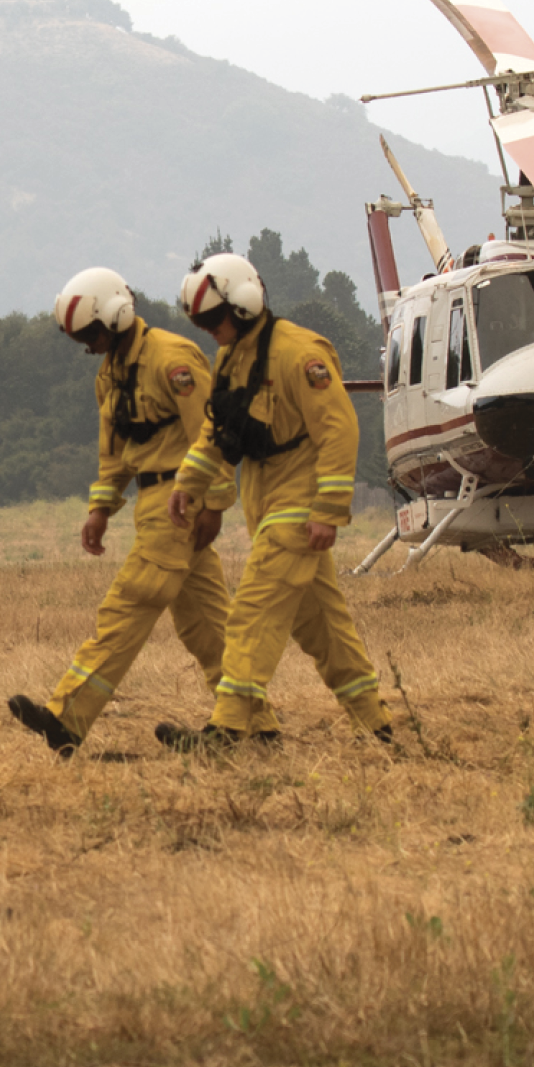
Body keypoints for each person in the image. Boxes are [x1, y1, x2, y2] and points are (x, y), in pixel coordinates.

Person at [160, 251, 392, 752]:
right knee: (323, 627)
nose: (207, 331)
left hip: (299, 506)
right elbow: (216, 432)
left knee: (252, 612)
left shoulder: (299, 352)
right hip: (266, 504)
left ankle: (228, 730)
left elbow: (339, 429)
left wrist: (329, 511)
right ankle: (377, 726)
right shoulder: (231, 360)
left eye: (212, 319)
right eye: (199, 322)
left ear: (242, 306)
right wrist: (188, 485)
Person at [8, 268, 230, 756]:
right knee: (207, 626)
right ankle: (252, 724)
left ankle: (66, 719)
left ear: (117, 314)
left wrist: (213, 501)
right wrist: (100, 509)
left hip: (180, 500)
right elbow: (115, 453)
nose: (88, 346)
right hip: (152, 503)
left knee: (128, 606)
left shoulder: (173, 359)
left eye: (91, 334)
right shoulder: (109, 375)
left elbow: (212, 431)